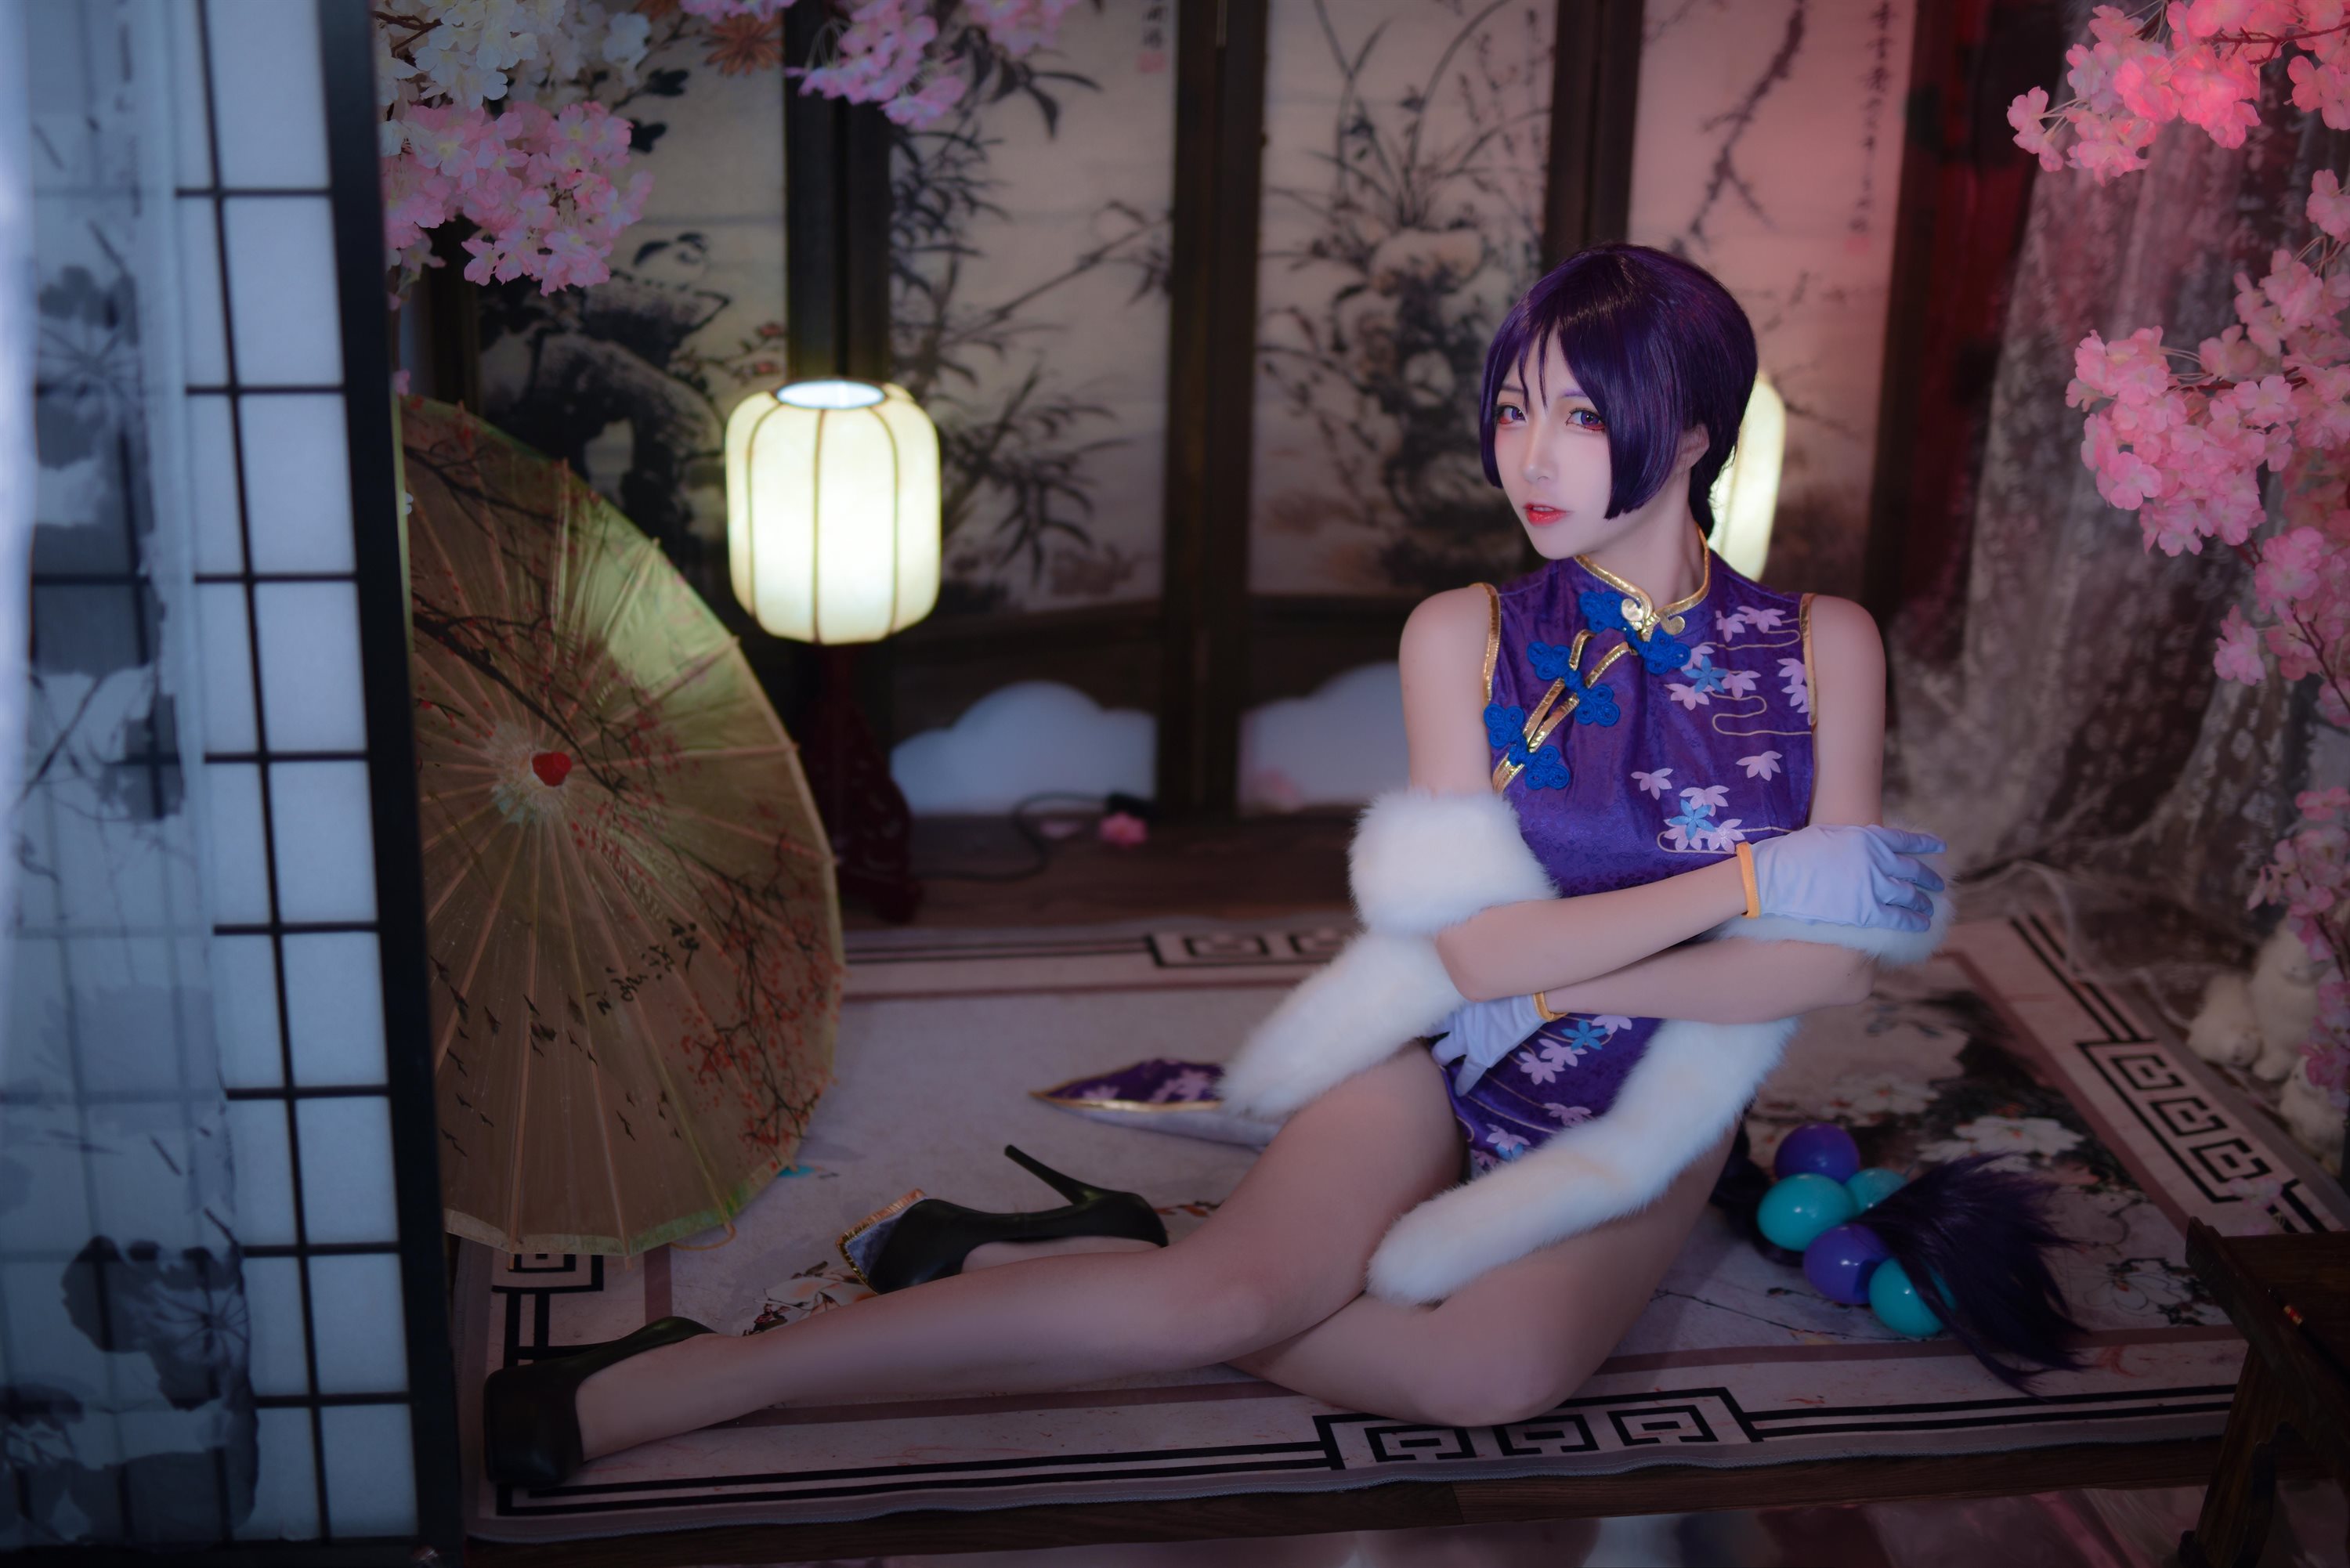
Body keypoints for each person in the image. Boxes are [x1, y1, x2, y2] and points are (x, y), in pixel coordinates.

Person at [482, 244, 1947, 1487]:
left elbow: (1824, 973)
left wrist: (1597, 969)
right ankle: (699, 1372)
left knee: (1490, 1376)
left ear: (1691, 434)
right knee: (1217, 1299)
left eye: (1581, 413)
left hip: (1655, 1109)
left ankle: (1045, 1261)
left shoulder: (1824, 646)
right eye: (1514, 408)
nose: (1531, 456)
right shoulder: (1465, 634)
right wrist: (1749, 887)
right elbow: (1477, 957)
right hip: (1448, 1054)